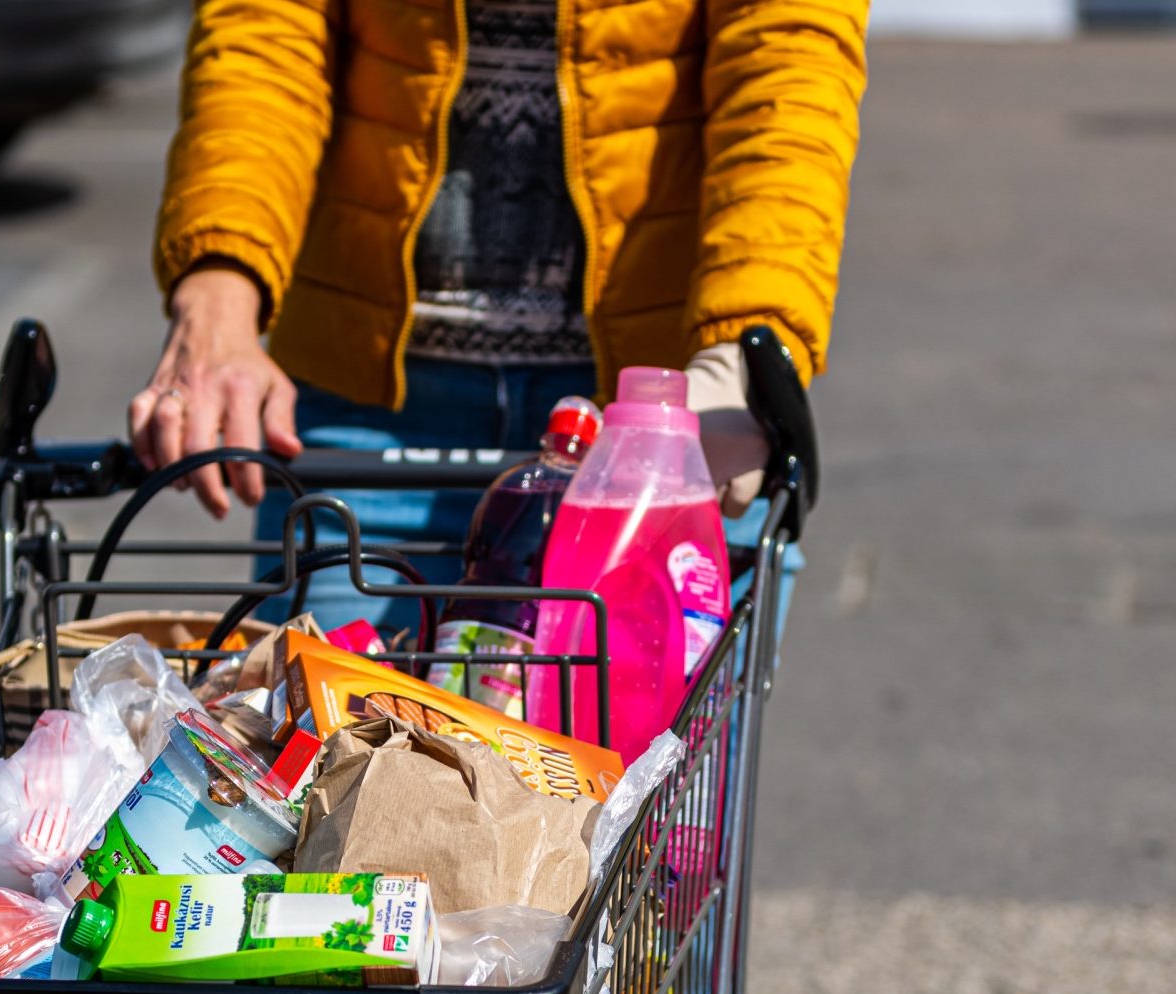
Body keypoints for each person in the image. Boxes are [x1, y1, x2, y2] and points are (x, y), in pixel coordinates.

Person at [128, 0, 866, 634]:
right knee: (327, 772)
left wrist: (742, 348)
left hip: (658, 420)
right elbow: (268, 32)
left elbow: (787, 65)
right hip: (372, 414)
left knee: (649, 783)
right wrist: (219, 291)